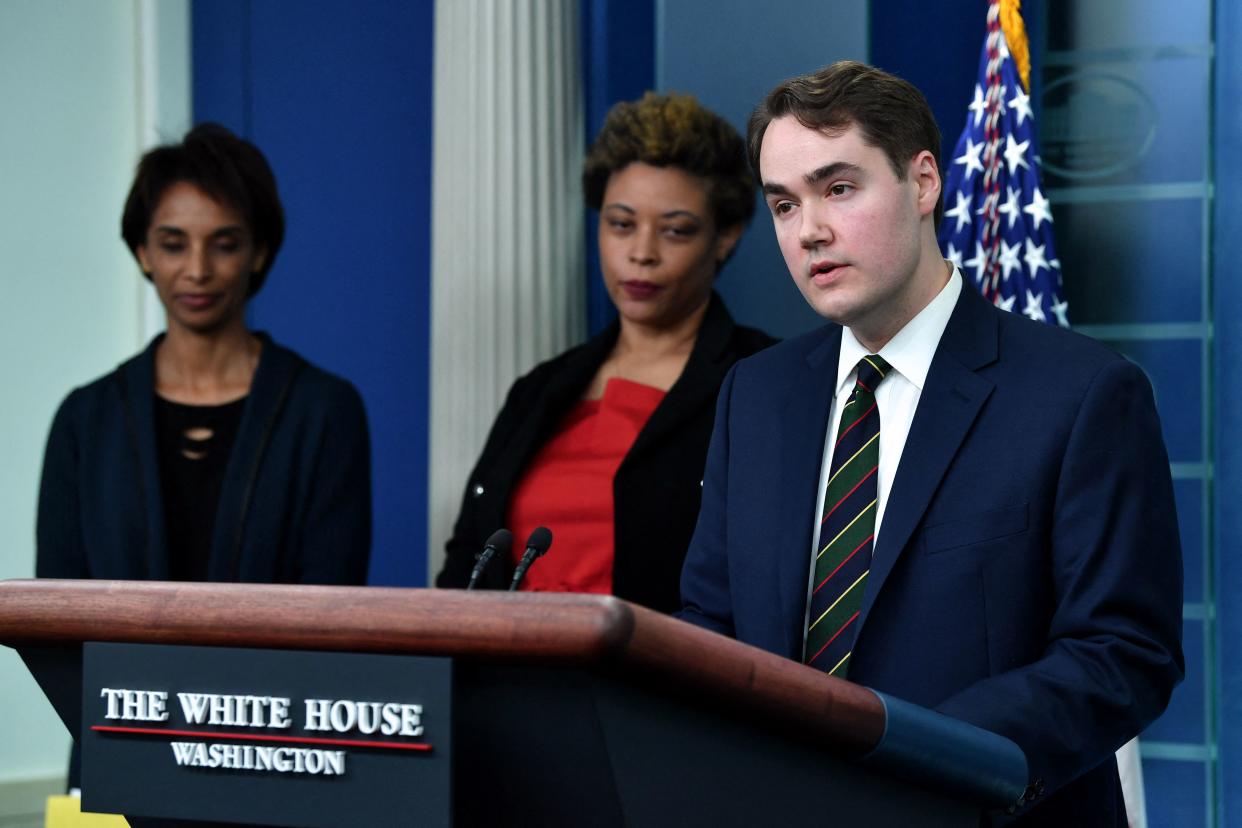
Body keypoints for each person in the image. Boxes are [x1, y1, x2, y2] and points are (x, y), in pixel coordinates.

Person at [678, 61, 1183, 825]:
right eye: (784, 204)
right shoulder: (756, 395)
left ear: (922, 184)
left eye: (838, 188)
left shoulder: (1081, 395)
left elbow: (1121, 656)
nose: (809, 229)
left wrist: (911, 759)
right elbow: (708, 628)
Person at [437, 93, 775, 612]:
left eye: (675, 230)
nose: (641, 252)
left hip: (662, 685)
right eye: (621, 223)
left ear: (725, 236)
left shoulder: (764, 381)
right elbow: (465, 566)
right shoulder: (540, 389)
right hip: (507, 681)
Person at [37, 123, 371, 587]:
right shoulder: (86, 420)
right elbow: (56, 617)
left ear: (259, 252)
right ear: (143, 253)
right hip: (115, 666)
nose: (197, 270)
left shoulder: (324, 412)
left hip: (279, 664)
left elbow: (333, 608)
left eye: (225, 245)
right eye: (174, 244)